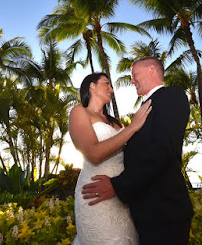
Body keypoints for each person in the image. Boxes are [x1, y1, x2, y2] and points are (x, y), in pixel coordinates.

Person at [82, 57, 194, 245]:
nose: (132, 81)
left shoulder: (171, 96)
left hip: (165, 212)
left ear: (151, 70)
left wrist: (118, 185)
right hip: (146, 212)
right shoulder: (142, 110)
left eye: (134, 75)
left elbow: (162, 150)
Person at [69, 72, 152, 245]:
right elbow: (94, 154)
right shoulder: (79, 112)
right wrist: (132, 128)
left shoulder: (116, 123)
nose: (112, 89)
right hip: (95, 192)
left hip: (121, 193)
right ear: (92, 85)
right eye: (106, 84)